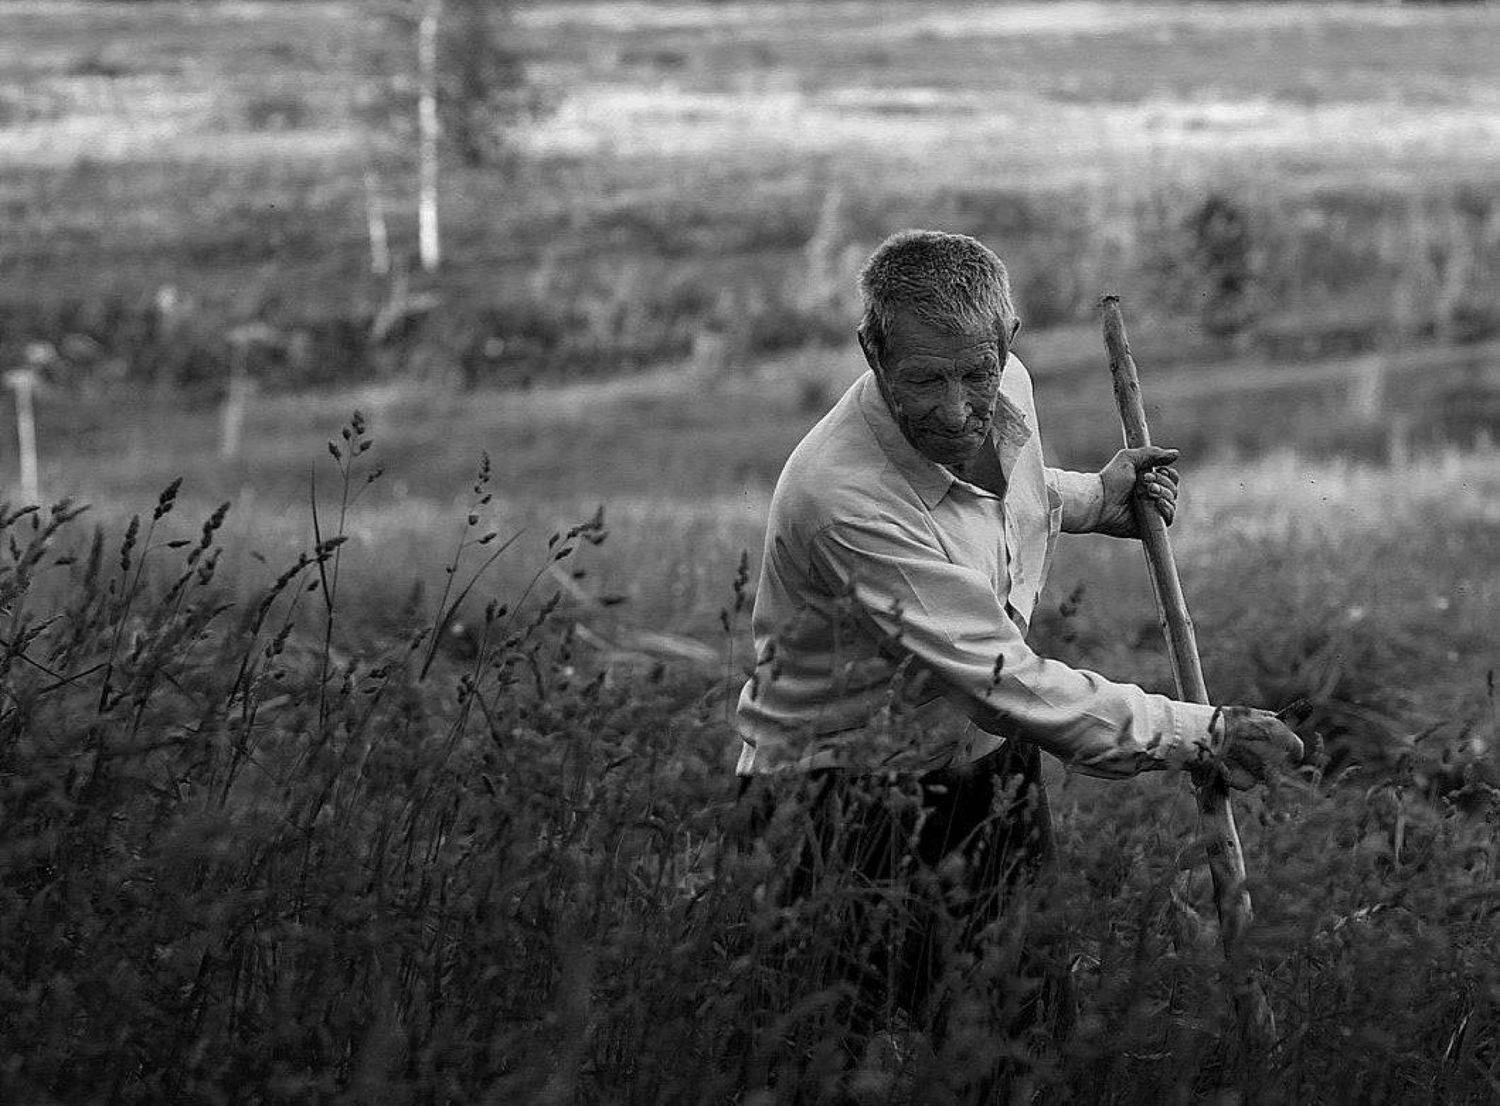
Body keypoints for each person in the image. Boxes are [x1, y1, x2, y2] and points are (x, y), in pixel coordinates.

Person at [733, 230, 1303, 1097]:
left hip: (983, 784)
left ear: (1007, 341)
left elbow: (1001, 500)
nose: (957, 408)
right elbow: (1000, 683)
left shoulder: (1010, 391)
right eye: (924, 380)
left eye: (976, 372)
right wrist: (1202, 733)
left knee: (1021, 1058)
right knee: (807, 1070)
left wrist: (1096, 497)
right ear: (871, 354)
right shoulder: (841, 498)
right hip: (830, 807)